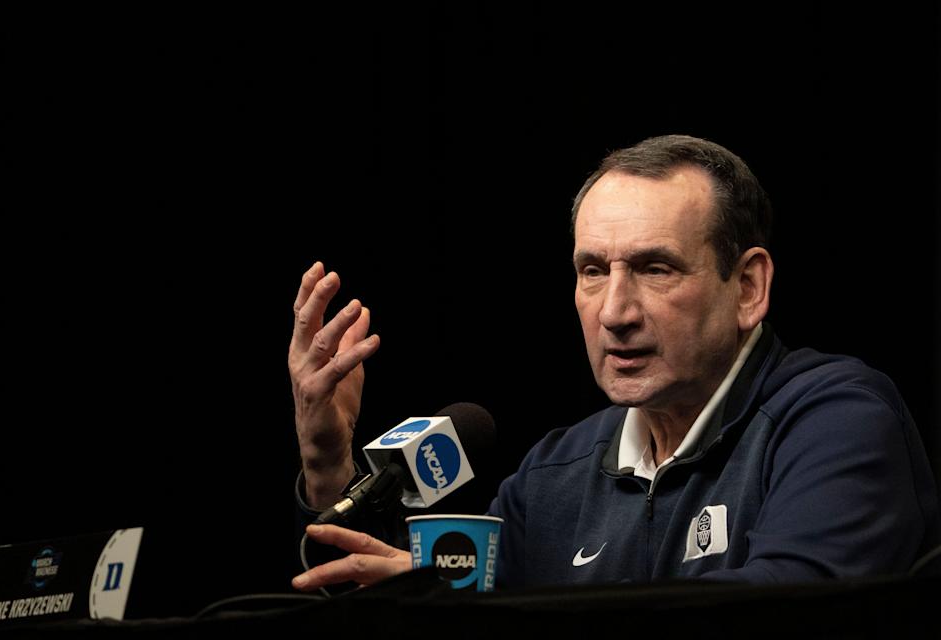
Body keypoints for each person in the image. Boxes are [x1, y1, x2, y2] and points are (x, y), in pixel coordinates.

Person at [288, 134, 940, 592]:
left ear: (747, 289)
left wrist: (488, 610)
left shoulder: (837, 421)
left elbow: (781, 616)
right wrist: (328, 466)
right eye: (593, 271)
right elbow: (392, 592)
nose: (615, 311)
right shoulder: (554, 475)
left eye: (655, 269)